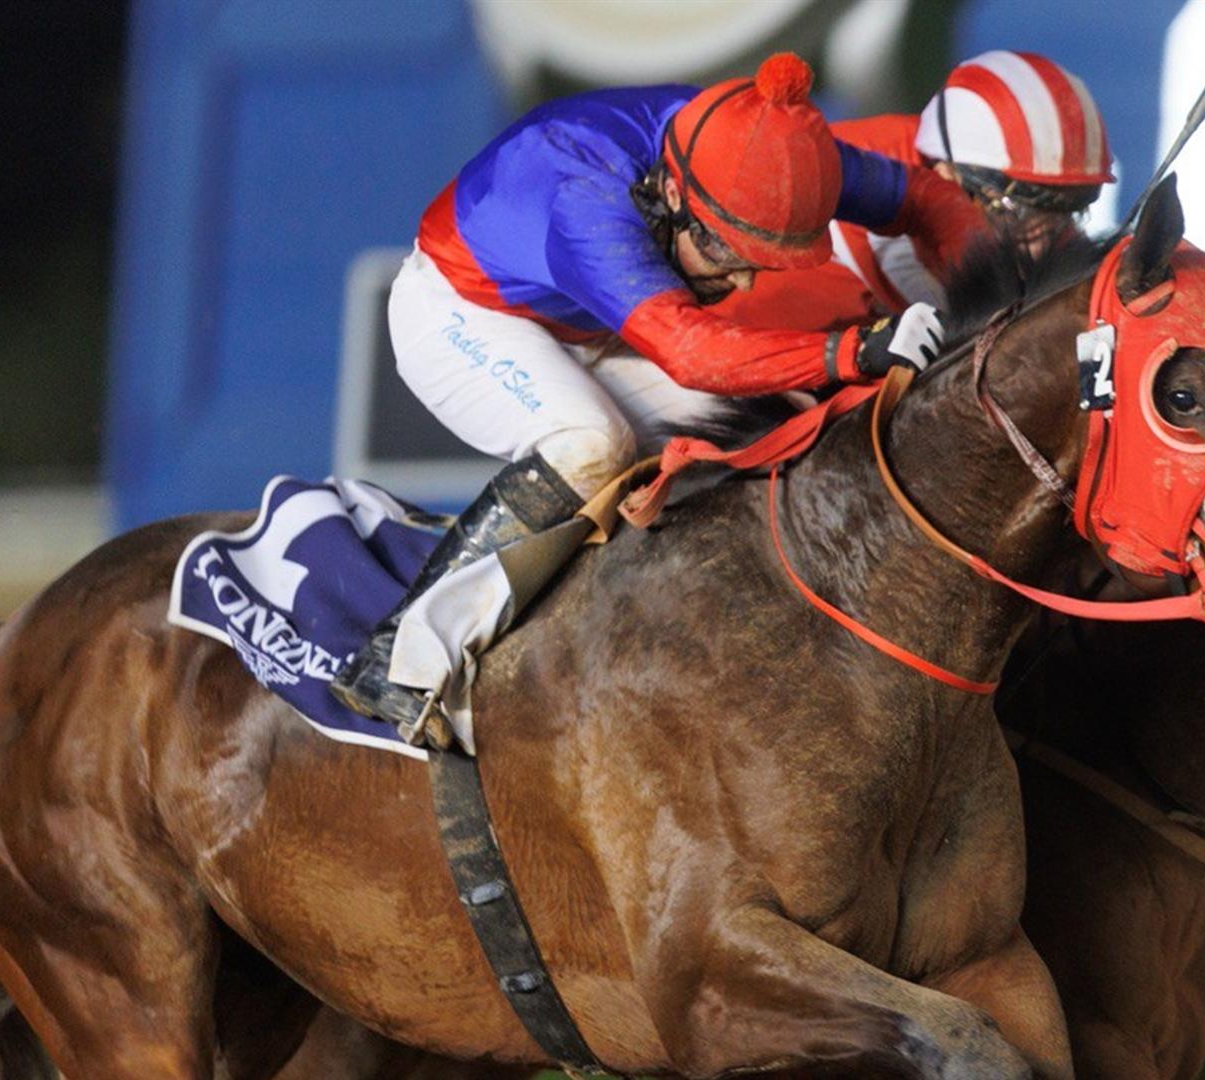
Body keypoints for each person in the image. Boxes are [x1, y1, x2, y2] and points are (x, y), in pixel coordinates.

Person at [332, 53, 986, 731]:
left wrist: (989, 295)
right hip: (460, 310)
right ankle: (398, 658)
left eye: (764, 263)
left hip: (587, 319)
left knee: (760, 431)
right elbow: (693, 353)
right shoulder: (584, 201)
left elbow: (926, 197)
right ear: (673, 195)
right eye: (728, 256)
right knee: (591, 443)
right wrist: (851, 351)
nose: (745, 284)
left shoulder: (764, 150)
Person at [719, 50, 1113, 332]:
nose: (1047, 243)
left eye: (1070, 211)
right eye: (1018, 212)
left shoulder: (999, 196)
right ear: (945, 176)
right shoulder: (827, 199)